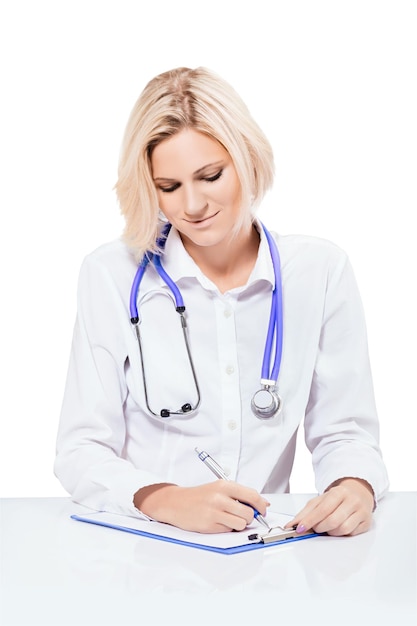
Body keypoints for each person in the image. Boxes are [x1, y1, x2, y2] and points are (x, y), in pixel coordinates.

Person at [54, 66, 389, 537]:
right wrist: (166, 500)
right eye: (168, 187)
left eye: (210, 176)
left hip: (269, 553)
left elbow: (345, 432)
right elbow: (81, 450)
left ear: (246, 158)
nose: (191, 205)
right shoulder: (112, 274)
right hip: (148, 553)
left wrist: (354, 486)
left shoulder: (320, 271)